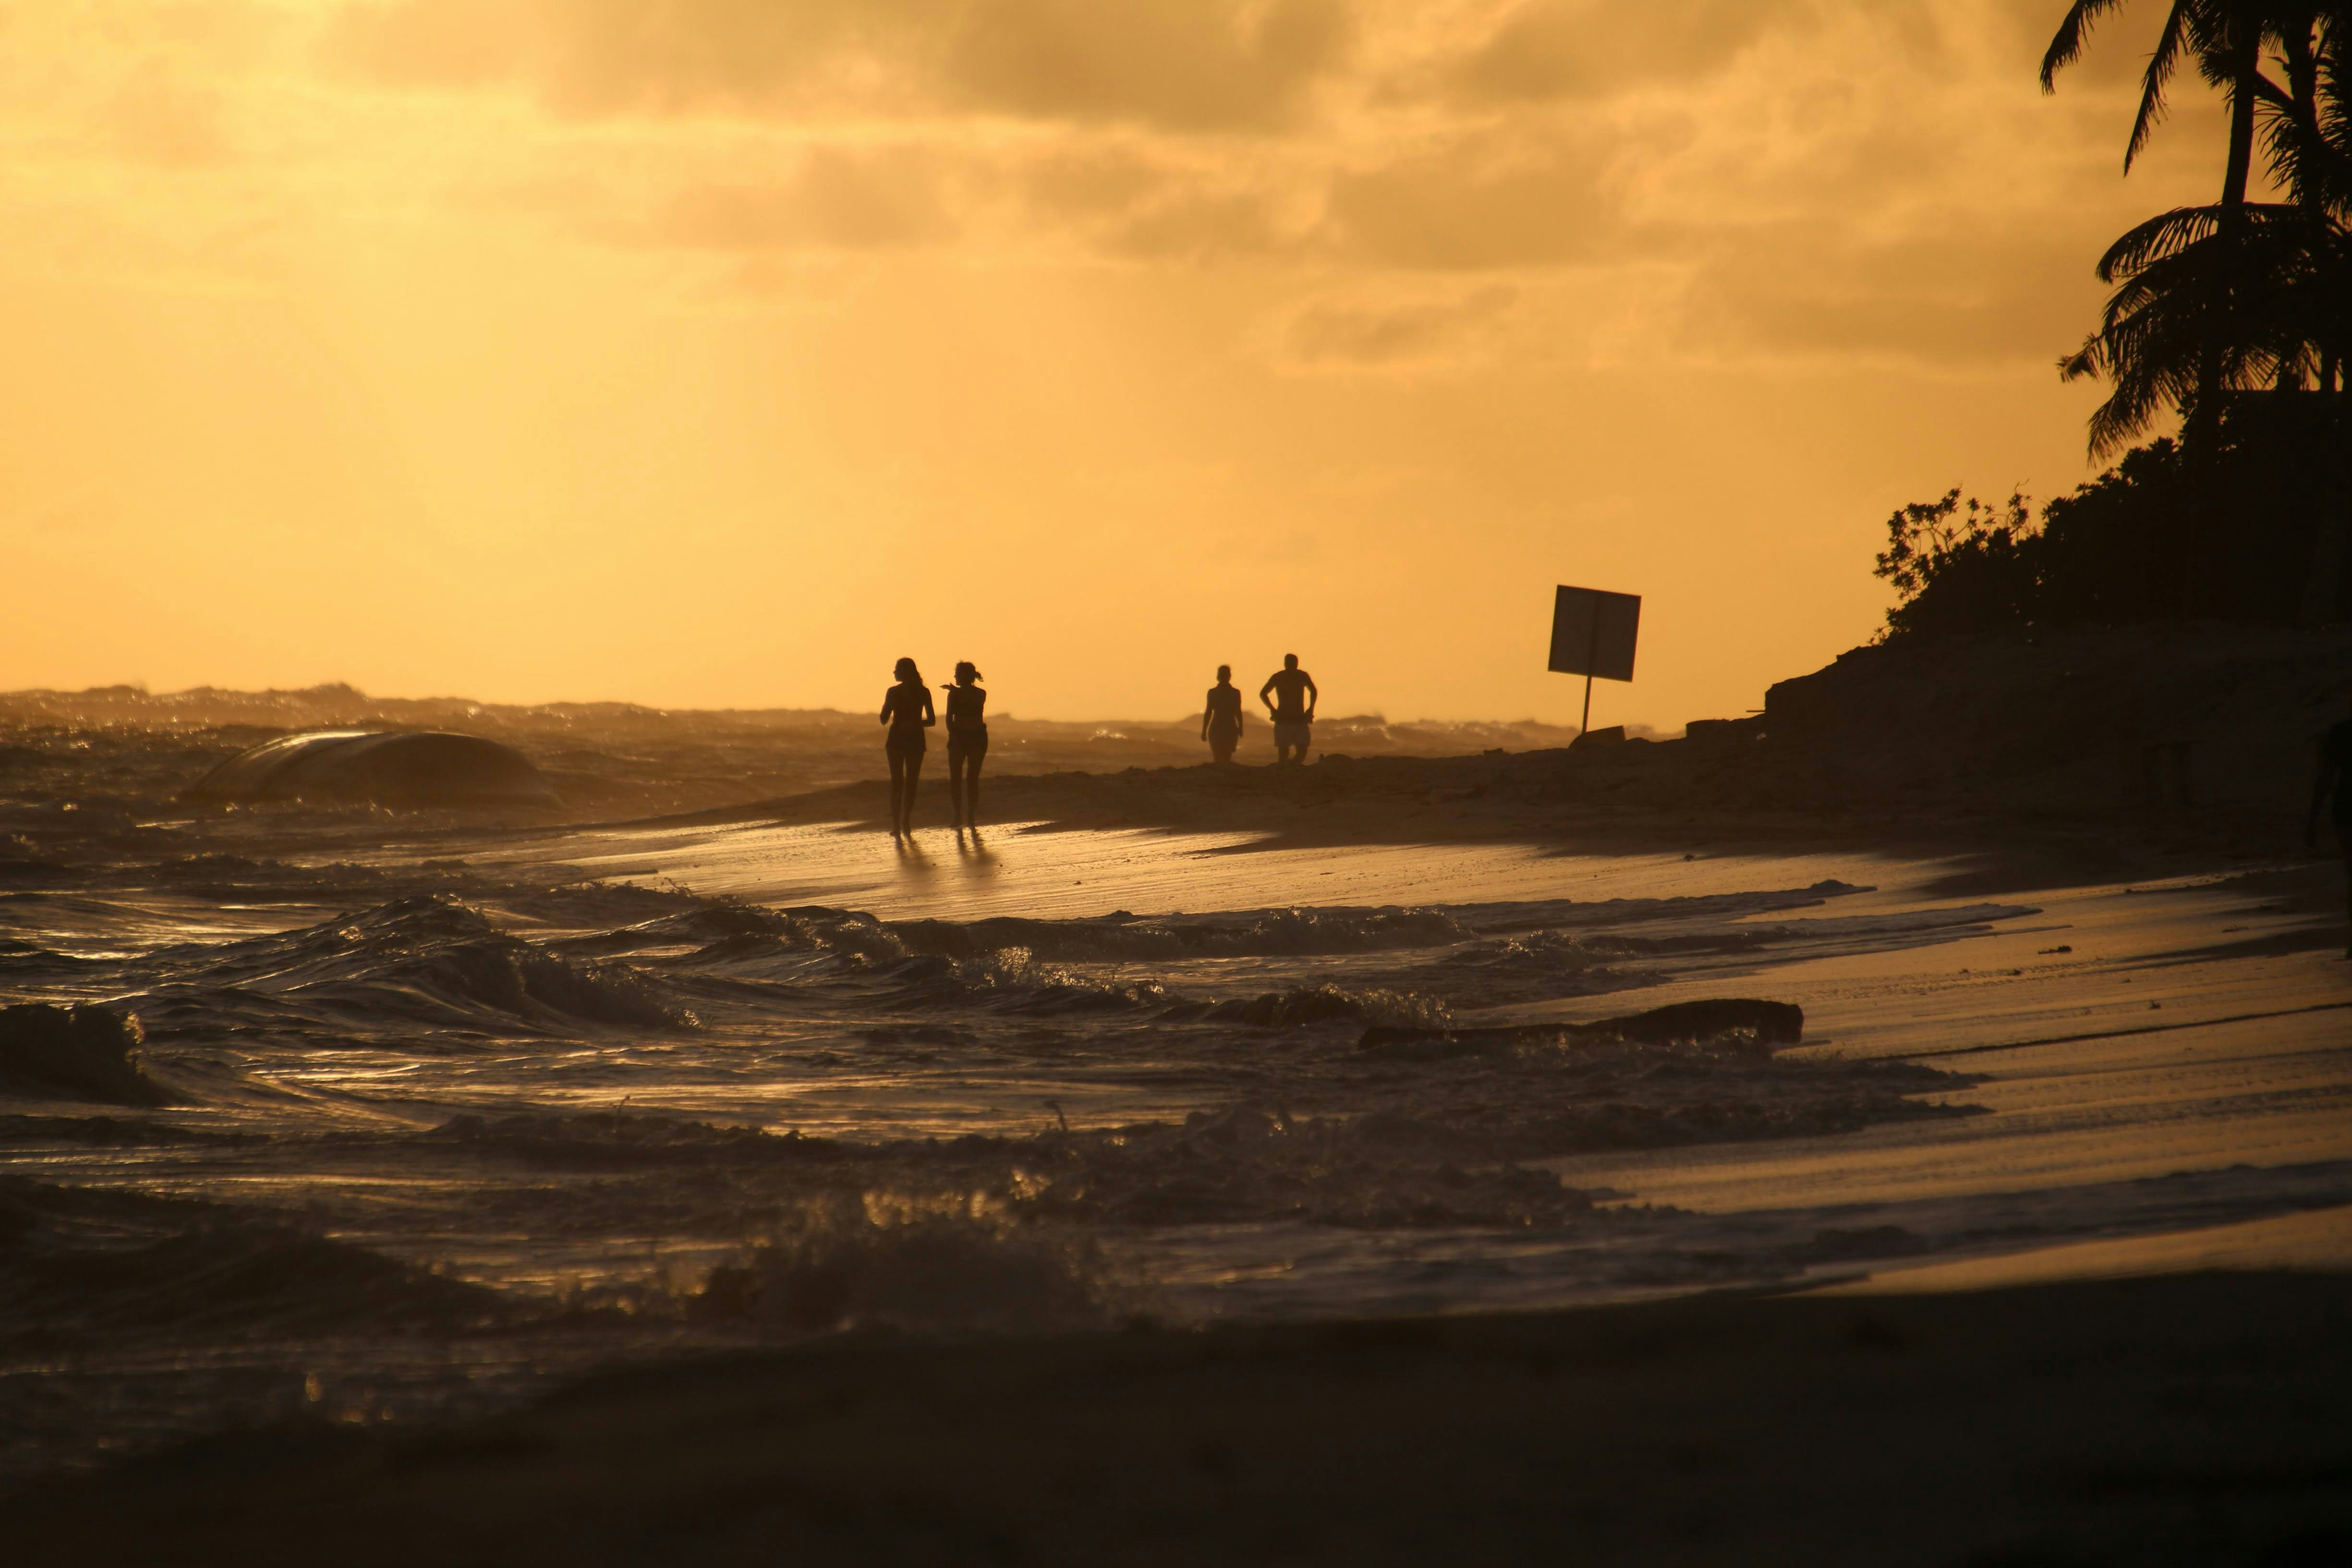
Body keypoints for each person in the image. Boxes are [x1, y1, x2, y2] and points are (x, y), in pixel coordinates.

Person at [2307, 695, 2352, 958]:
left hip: (2346, 807)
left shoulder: (2339, 734)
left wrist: (2312, 819)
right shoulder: (2337, 734)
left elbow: (2324, 779)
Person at [878, 656, 934, 837]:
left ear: (905, 672)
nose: (894, 672)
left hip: (897, 739)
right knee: (911, 782)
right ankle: (906, 823)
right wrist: (916, 723)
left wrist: (892, 710)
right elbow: (931, 721)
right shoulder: (924, 692)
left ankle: (897, 825)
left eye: (897, 669)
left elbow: (883, 719)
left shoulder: (893, 692)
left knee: (897, 783)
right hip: (916, 738)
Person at [943, 661, 988, 830]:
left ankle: (970, 816)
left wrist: (955, 691)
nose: (955, 677)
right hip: (958, 737)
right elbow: (949, 718)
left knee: (972, 777)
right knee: (955, 777)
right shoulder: (954, 695)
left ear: (966, 676)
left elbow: (971, 700)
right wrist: (953, 735)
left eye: (958, 674)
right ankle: (958, 816)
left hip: (977, 737)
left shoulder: (981, 693)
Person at [1259, 653, 1318, 766]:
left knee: (1300, 750)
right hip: (1285, 718)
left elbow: (1314, 691)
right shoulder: (1283, 677)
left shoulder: (1300, 676)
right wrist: (1272, 709)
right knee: (1286, 752)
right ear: (1286, 664)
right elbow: (1263, 693)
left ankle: (1292, 767)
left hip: (1296, 718)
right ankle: (1289, 769)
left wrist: (1311, 709)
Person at [1201, 665, 1244, 764]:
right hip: (1221, 727)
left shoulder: (1232, 693)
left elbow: (1238, 711)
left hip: (1227, 728)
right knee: (1221, 757)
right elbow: (1209, 712)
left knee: (1223, 757)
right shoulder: (1232, 693)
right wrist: (1204, 730)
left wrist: (1240, 727)